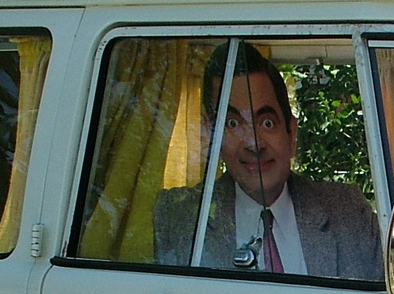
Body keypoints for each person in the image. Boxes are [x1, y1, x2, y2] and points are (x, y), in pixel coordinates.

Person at [154, 43, 381, 280]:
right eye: (233, 123)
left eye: (267, 123)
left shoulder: (349, 212)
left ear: (291, 134)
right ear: (212, 136)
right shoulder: (177, 217)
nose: (253, 144)